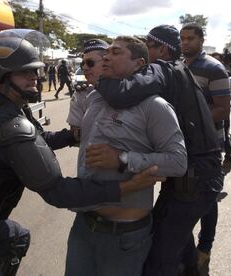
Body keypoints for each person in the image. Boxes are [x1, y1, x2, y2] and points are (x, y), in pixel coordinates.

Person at [0, 29, 163, 276]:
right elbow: (58, 191)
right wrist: (125, 187)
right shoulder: (9, 125)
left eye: (36, 71)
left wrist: (72, 135)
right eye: (25, 73)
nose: (36, 78)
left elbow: (39, 140)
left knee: (17, 237)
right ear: (0, 75)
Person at [95, 25, 223, 276]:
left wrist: (100, 74)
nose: (145, 51)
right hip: (195, 177)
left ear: (162, 49)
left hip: (193, 179)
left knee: (158, 260)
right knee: (180, 244)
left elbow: (121, 94)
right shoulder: (180, 71)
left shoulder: (163, 68)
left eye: (149, 46)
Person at [64, 36, 187, 276]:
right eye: (106, 51)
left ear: (139, 63)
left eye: (116, 52)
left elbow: (178, 161)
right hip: (83, 225)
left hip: (124, 235)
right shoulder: (94, 97)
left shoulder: (155, 106)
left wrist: (122, 158)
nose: (106, 56)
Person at [180, 23, 230, 274]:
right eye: (182, 39)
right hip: (182, 146)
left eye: (190, 38)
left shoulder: (213, 68)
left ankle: (204, 248)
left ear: (201, 40)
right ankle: (184, 248)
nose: (185, 43)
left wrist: (188, 122)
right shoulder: (180, 66)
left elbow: (222, 108)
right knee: (182, 196)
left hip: (207, 147)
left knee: (207, 199)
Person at [66, 39, 108, 136]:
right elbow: (76, 135)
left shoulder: (129, 90)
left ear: (106, 61)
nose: (84, 68)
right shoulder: (81, 94)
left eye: (90, 63)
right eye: (82, 64)